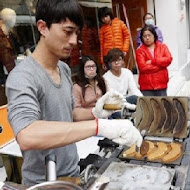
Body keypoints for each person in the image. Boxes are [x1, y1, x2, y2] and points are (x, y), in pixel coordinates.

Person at [5, 0, 142, 186]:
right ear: (43, 27)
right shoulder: (23, 76)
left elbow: (69, 115)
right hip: (44, 182)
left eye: (76, 32)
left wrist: (97, 112)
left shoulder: (63, 68)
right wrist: (99, 126)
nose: (73, 40)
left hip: (73, 171)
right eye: (67, 31)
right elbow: (27, 135)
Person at [136, 25, 172, 96]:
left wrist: (153, 61)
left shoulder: (163, 47)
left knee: (162, 106)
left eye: (149, 35)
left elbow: (168, 59)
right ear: (142, 38)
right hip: (146, 86)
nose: (147, 38)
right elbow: (143, 67)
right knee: (149, 107)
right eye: (144, 36)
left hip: (161, 83)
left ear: (154, 36)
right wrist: (161, 66)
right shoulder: (140, 51)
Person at [73, 55, 107, 120]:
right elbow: (76, 110)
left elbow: (107, 98)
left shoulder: (102, 81)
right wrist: (93, 113)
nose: (91, 69)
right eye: (88, 67)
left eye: (93, 66)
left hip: (104, 115)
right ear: (82, 69)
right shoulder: (77, 87)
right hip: (87, 118)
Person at [98, 6, 130, 70]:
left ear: (110, 15)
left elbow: (127, 36)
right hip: (108, 56)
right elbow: (101, 45)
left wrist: (125, 49)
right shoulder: (102, 29)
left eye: (106, 16)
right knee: (111, 75)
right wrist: (102, 61)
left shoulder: (120, 23)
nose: (104, 19)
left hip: (119, 53)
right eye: (102, 18)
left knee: (121, 73)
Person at [0, 8, 16, 85]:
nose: (15, 19)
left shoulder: (8, 34)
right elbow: (8, 61)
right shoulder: (2, 38)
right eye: (13, 16)